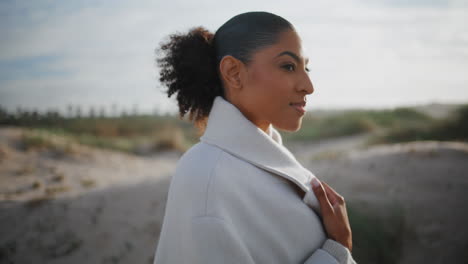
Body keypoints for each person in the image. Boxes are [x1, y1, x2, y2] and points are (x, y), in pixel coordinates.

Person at [153, 11, 356, 264]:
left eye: (306, 67)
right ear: (234, 72)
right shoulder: (206, 180)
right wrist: (337, 251)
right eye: (288, 66)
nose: (308, 85)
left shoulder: (263, 163)